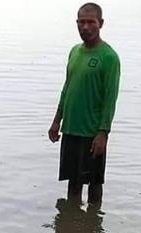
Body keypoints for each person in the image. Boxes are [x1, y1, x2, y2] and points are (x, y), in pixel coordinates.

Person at [48, 3, 121, 205]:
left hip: (91, 132)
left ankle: (93, 223)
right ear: (77, 23)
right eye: (82, 22)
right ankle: (72, 226)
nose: (86, 27)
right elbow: (67, 88)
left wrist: (103, 132)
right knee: (73, 182)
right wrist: (56, 121)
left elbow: (110, 98)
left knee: (94, 183)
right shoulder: (74, 52)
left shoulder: (108, 57)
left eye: (91, 22)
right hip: (71, 128)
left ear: (101, 24)